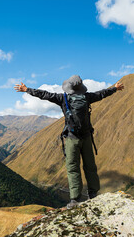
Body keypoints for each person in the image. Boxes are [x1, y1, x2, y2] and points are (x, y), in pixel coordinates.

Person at [14, 75, 124, 209]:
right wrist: (115, 89)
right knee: (90, 166)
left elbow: (45, 95)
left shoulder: (62, 98)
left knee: (73, 168)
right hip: (87, 137)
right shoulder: (88, 97)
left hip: (72, 138)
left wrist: (26, 89)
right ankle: (93, 194)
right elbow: (101, 94)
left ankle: (75, 199)